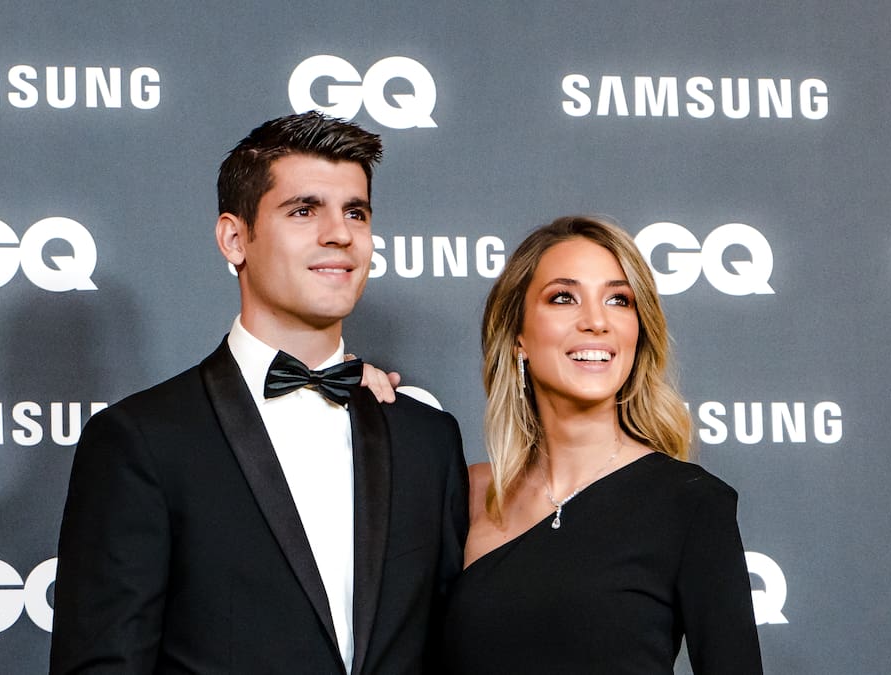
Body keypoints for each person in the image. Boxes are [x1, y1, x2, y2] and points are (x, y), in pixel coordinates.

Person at [49, 112, 469, 674]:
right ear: (234, 238)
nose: (340, 234)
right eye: (303, 210)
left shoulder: (427, 440)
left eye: (356, 212)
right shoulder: (142, 442)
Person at [442, 216, 762, 674]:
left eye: (618, 300)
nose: (596, 322)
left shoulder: (690, 503)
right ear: (518, 337)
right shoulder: (466, 495)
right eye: (563, 297)